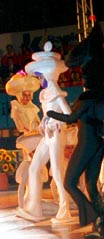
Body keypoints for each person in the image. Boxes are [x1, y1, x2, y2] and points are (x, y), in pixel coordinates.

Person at [47, 23, 104, 239]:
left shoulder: (86, 97)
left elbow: (70, 119)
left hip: (86, 142)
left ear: (87, 75)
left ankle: (95, 217)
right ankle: (100, 225)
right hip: (98, 142)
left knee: (69, 182)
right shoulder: (103, 98)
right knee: (91, 185)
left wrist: (50, 112)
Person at [16, 41, 73, 224]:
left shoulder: (55, 90)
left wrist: (53, 122)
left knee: (57, 172)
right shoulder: (45, 93)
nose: (39, 80)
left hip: (56, 135)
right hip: (48, 135)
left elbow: (68, 114)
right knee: (34, 168)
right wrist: (43, 122)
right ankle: (34, 208)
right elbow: (48, 114)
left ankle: (65, 210)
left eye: (40, 76)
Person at [5, 71, 47, 209]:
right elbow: (19, 125)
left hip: (36, 137)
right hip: (27, 140)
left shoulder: (33, 108)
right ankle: (26, 200)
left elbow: (38, 122)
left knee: (38, 169)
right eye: (25, 95)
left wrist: (39, 129)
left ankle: (35, 196)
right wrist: (30, 129)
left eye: (29, 95)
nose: (27, 97)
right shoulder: (16, 107)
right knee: (28, 169)